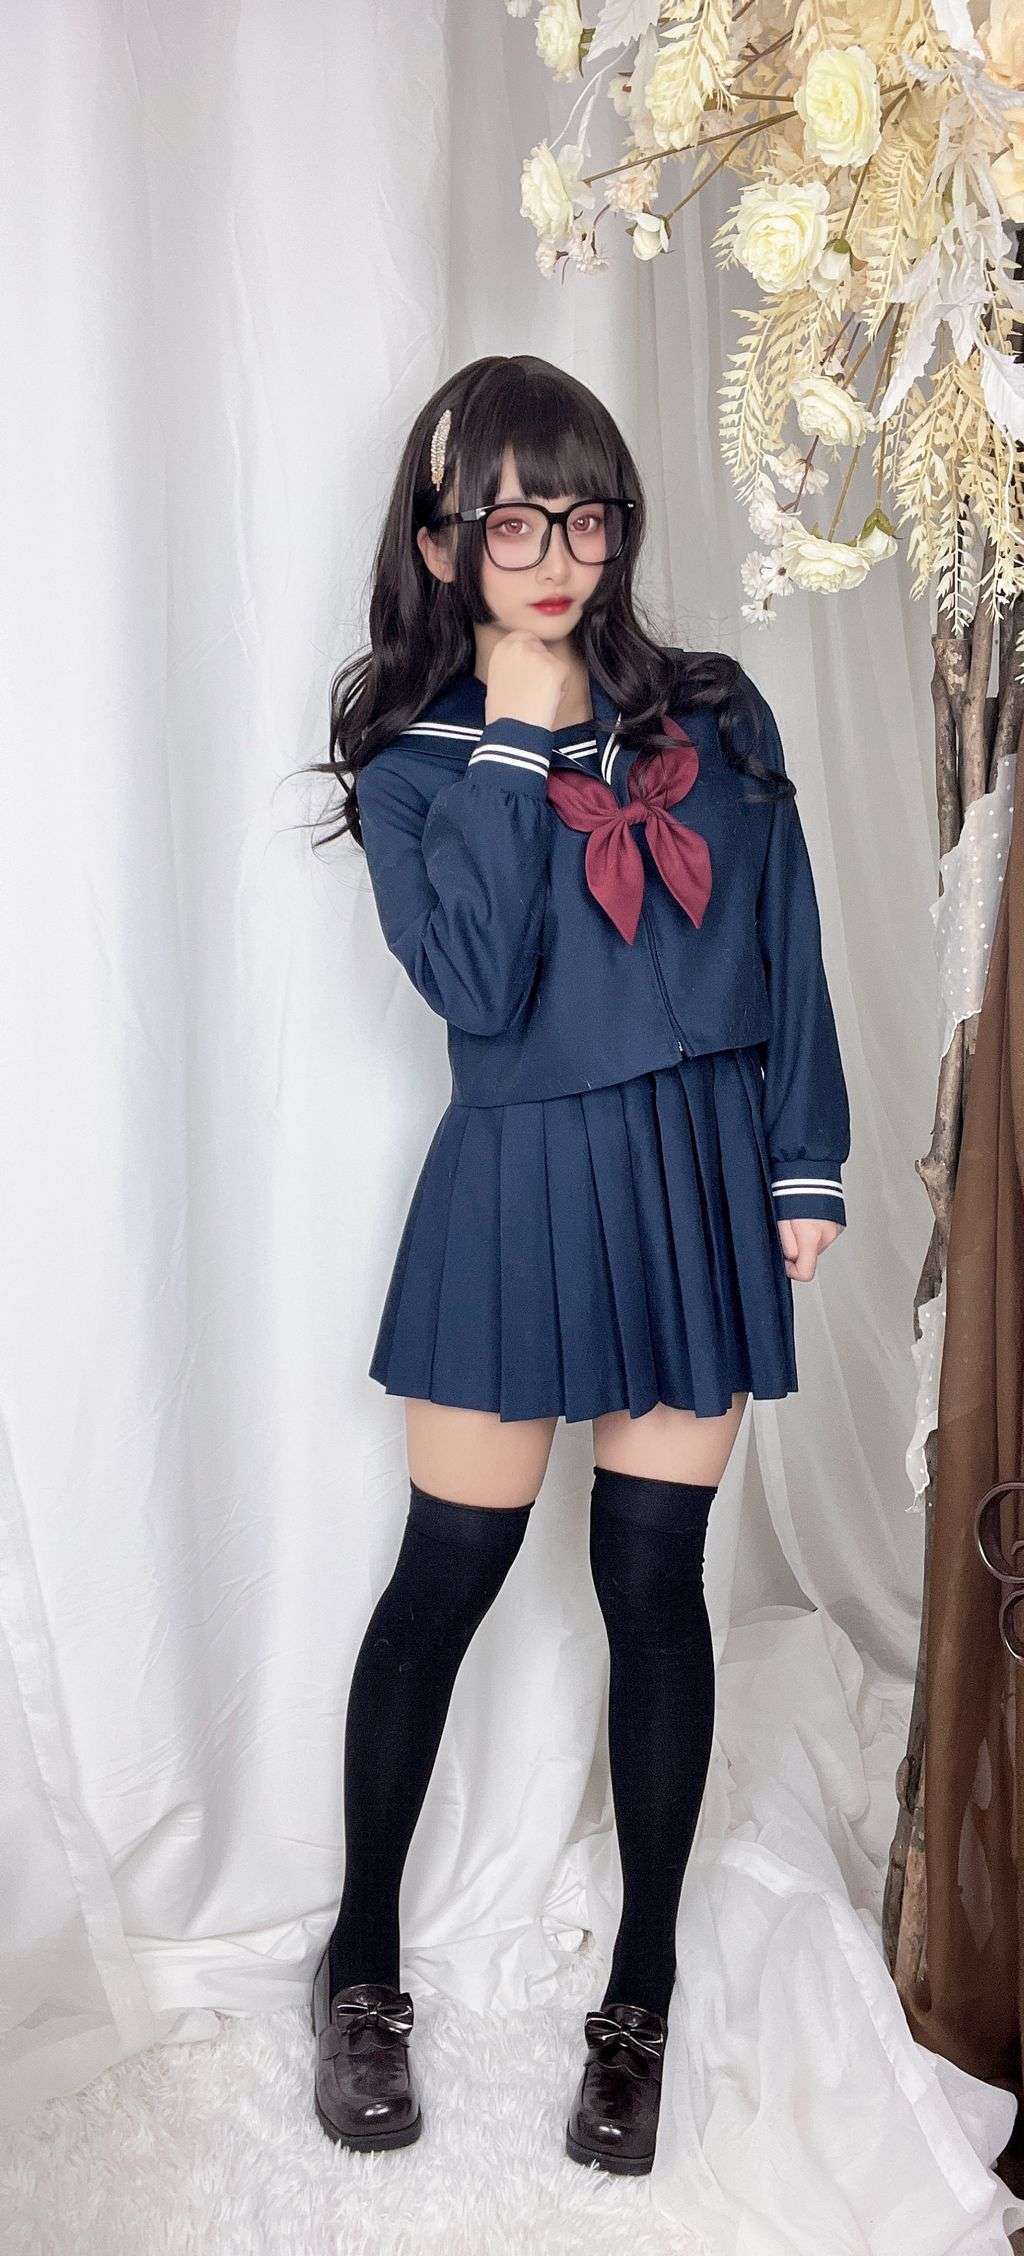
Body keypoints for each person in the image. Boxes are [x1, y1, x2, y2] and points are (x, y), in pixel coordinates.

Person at [304, 353, 850, 2173]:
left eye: (586, 518)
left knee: (653, 1588)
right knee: (444, 1580)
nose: (556, 558)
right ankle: (360, 1965)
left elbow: (787, 938)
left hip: (696, 1184)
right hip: (517, 1188)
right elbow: (474, 985)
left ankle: (642, 2002)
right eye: (515, 524)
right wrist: (521, 728)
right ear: (444, 542)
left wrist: (804, 1160)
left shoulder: (713, 711)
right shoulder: (410, 768)